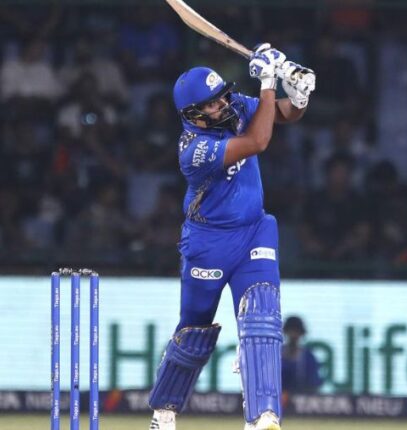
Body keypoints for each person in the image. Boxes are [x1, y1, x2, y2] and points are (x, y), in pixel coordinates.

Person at [147, 44, 316, 430]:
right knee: (194, 330)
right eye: (212, 104)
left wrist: (298, 93)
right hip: (208, 244)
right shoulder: (194, 151)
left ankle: (263, 417)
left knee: (262, 320)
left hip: (255, 229)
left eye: (223, 95)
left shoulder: (235, 106)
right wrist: (269, 81)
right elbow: (258, 142)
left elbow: (282, 114)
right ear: (193, 115)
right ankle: (164, 410)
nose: (223, 105)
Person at [281, 316, 323, 394]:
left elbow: (314, 384)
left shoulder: (308, 357)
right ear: (286, 332)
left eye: (296, 331)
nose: (293, 335)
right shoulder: (277, 355)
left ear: (301, 333)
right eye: (291, 331)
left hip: (301, 398)